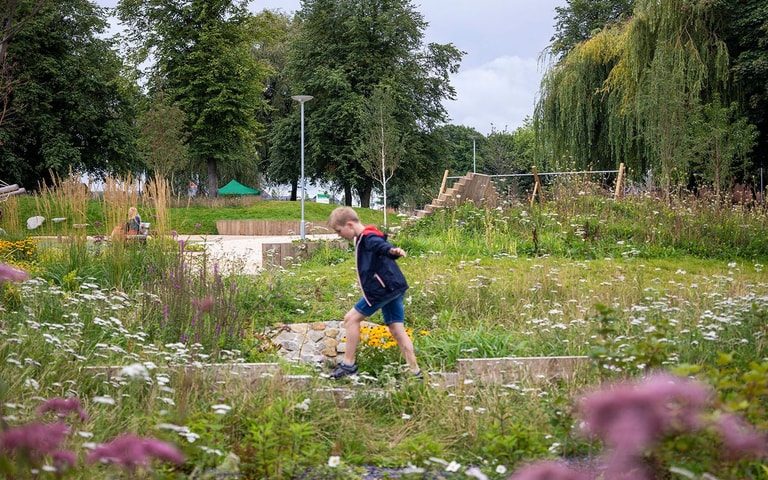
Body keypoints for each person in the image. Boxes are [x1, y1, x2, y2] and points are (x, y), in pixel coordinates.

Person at [327, 206, 422, 380]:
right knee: (397, 329)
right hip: (394, 287)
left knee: (350, 319)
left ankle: (348, 364)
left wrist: (392, 251)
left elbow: (381, 246)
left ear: (349, 225)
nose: (339, 235)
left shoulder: (368, 237)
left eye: (339, 231)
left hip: (382, 290)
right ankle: (415, 372)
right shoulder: (362, 238)